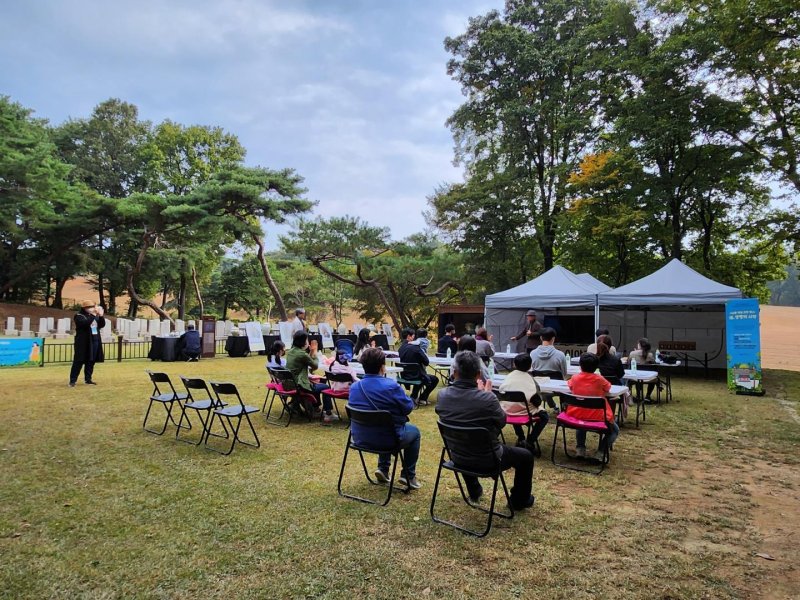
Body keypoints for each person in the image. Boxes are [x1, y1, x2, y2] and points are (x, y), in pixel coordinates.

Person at [436, 351, 535, 509]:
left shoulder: (442, 395)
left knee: (465, 439)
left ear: (454, 373)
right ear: (478, 374)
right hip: (488, 459)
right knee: (526, 456)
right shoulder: (487, 399)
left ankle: (474, 490)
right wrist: (488, 395)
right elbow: (502, 421)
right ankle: (519, 500)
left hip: (457, 456)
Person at [347, 347, 422, 489]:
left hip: (359, 438)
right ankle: (408, 475)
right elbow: (408, 408)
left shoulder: (355, 387)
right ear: (383, 366)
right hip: (387, 439)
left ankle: (383, 469)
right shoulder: (391, 386)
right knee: (414, 432)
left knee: (384, 424)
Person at [566, 353, 619, 461]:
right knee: (614, 431)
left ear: (580, 365)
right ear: (596, 367)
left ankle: (580, 448)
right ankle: (601, 451)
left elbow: (570, 385)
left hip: (577, 414)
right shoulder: (599, 379)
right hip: (598, 417)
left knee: (581, 425)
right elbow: (608, 388)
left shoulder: (575, 378)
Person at [285, 331, 339, 423]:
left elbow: (306, 362)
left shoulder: (290, 352)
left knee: (317, 383)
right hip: (299, 385)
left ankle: (315, 408)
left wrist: (310, 353)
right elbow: (314, 366)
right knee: (325, 387)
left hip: (289, 383)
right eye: (306, 340)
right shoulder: (302, 354)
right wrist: (314, 352)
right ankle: (328, 413)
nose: (308, 342)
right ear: (303, 342)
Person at [498, 353, 548, 449]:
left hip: (507, 410)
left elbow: (501, 391)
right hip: (525, 412)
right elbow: (537, 400)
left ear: (514, 365)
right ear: (530, 366)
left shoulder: (509, 376)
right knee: (544, 416)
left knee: (514, 406)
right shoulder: (531, 380)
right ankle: (530, 441)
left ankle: (521, 437)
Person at [398, 327, 438, 404]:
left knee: (420, 374)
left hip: (404, 375)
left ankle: (414, 396)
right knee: (434, 379)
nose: (414, 338)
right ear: (409, 336)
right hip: (416, 375)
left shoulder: (400, 348)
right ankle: (422, 397)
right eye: (413, 336)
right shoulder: (416, 348)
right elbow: (426, 362)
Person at [69, 300, 105, 387]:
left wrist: (101, 316)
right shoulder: (79, 316)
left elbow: (101, 325)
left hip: (94, 340)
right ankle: (72, 380)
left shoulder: (94, 316)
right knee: (79, 361)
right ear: (85, 308)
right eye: (90, 307)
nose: (92, 309)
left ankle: (88, 379)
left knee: (91, 361)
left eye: (93, 307)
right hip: (83, 342)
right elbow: (85, 324)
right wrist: (93, 314)